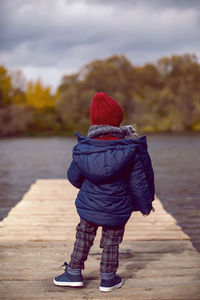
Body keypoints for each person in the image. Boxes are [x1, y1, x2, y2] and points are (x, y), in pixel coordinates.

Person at [53, 92, 155, 292]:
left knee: (83, 236)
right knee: (111, 242)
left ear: (94, 121)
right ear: (118, 121)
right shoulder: (128, 150)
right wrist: (145, 205)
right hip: (117, 208)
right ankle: (108, 279)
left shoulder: (84, 149)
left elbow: (73, 177)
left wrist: (90, 187)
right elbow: (138, 183)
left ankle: (73, 272)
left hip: (89, 205)